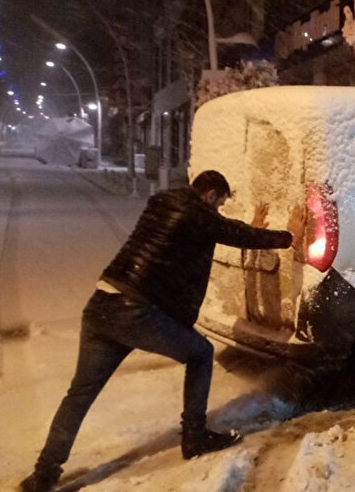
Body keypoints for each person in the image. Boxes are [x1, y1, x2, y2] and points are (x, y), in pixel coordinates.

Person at [20, 170, 297, 492]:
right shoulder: (195, 212)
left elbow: (217, 234)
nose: (217, 209)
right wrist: (288, 236)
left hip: (102, 307)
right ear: (210, 195)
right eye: (219, 203)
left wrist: (246, 229)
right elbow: (226, 231)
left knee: (79, 394)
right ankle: (194, 437)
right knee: (200, 353)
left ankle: (44, 474)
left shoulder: (164, 204)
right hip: (137, 311)